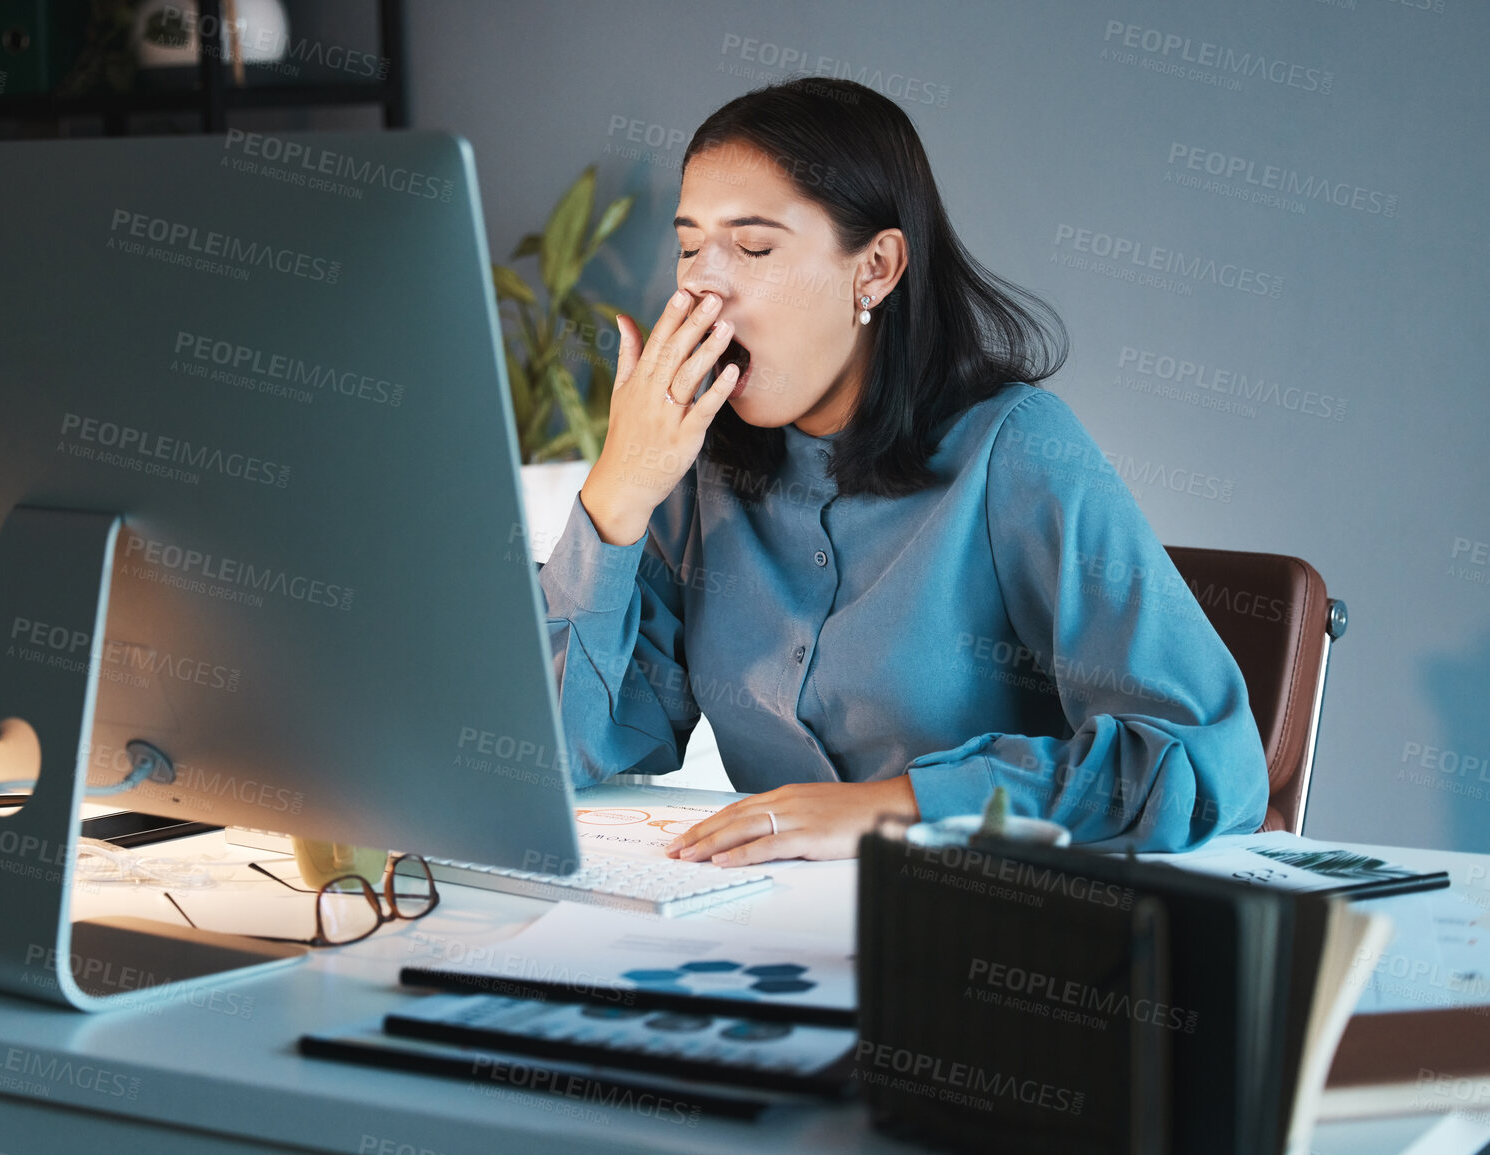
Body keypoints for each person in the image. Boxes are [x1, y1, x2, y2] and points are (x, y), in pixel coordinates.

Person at [537, 78, 1267, 863]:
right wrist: (619, 489)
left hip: (986, 934)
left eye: (753, 248)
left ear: (875, 269)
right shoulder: (694, 464)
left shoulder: (1013, 449)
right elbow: (558, 746)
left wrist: (897, 808)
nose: (699, 288)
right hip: (763, 930)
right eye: (687, 246)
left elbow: (1208, 765)